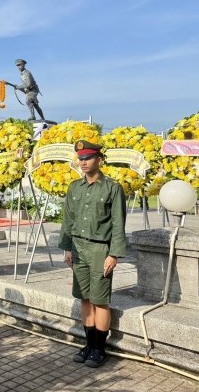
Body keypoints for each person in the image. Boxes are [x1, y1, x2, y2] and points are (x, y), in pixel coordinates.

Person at [59, 140, 126, 369]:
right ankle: (88, 344)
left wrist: (113, 254)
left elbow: (118, 223)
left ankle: (99, 348)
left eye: (88, 158)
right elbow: (68, 219)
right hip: (78, 248)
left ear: (99, 159)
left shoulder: (112, 188)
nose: (83, 162)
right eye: (81, 158)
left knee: (100, 300)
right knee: (85, 298)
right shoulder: (75, 187)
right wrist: (67, 248)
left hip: (100, 249)